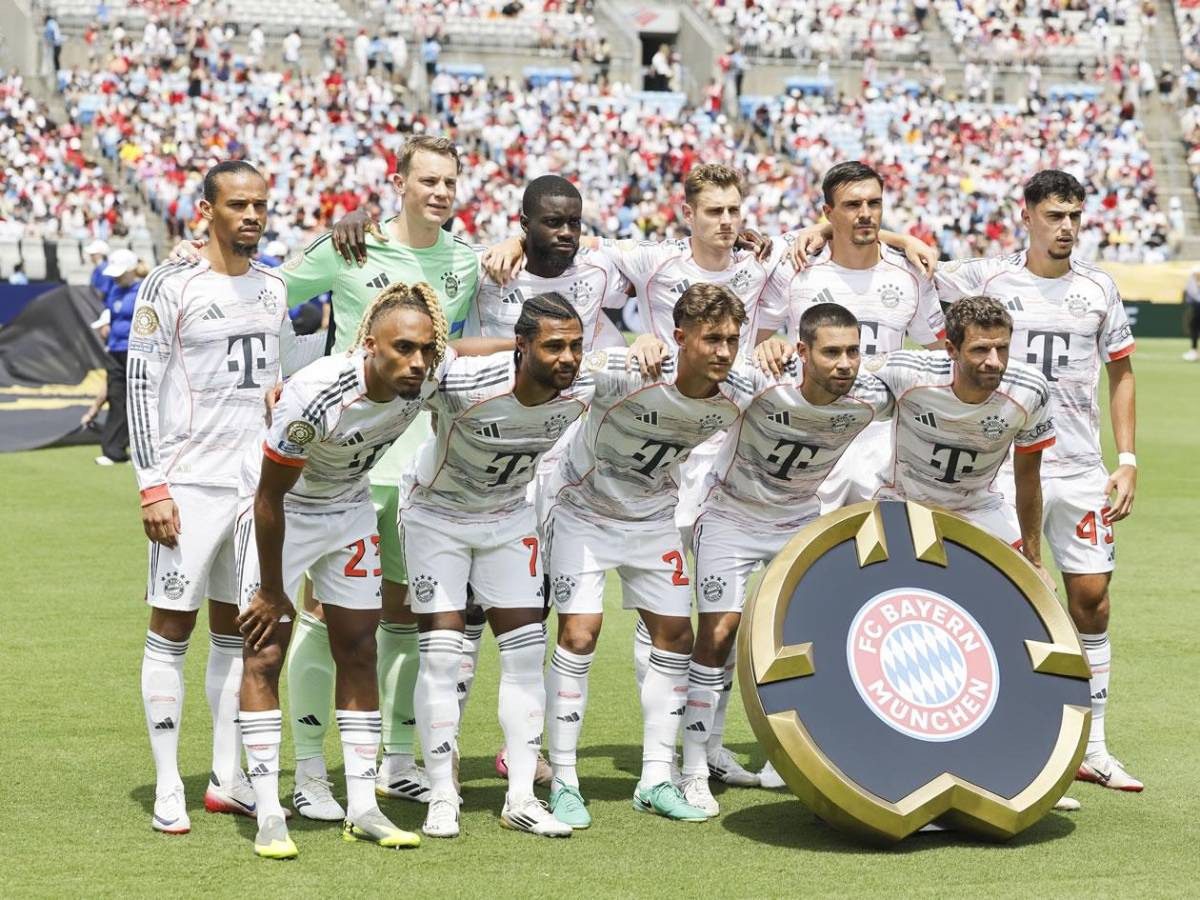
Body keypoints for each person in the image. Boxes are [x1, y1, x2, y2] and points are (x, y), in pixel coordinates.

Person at [276, 135, 480, 813]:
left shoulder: (466, 261)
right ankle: (308, 770)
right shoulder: (351, 245)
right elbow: (270, 292)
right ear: (400, 183)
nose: (441, 192)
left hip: (420, 469)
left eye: (450, 181)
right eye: (428, 179)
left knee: (402, 619)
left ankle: (395, 760)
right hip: (338, 471)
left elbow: (459, 350)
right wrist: (276, 383)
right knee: (320, 617)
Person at [933, 170, 1142, 792]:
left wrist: (1126, 460)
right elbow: (917, 260)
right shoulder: (987, 278)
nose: (1068, 228)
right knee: (999, 601)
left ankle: (1094, 746)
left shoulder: (1099, 288)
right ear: (1026, 215)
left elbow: (1122, 374)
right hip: (1003, 468)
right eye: (1055, 215)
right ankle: (1000, 742)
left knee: (1092, 599)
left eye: (1076, 216)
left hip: (1079, 470)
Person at [234, 282, 452, 859]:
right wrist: (273, 589)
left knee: (360, 648)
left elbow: (482, 361)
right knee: (265, 652)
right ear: (369, 345)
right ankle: (270, 812)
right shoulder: (316, 395)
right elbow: (268, 497)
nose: (416, 362)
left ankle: (363, 807)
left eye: (425, 350)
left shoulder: (428, 376)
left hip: (348, 509)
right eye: (402, 349)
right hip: (282, 511)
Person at [541, 284, 768, 829]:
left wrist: (780, 352)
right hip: (583, 511)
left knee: (677, 636)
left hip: (652, 518)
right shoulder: (624, 370)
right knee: (579, 633)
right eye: (711, 339)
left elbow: (799, 391)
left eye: (733, 340)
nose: (723, 351)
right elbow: (548, 365)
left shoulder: (742, 386)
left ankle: (654, 779)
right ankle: (565, 780)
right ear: (680, 337)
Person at [126, 161, 296, 835]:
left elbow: (282, 374)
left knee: (240, 629)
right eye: (238, 205)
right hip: (187, 484)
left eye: (260, 204)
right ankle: (170, 781)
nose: (252, 215)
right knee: (173, 625)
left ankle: (226, 779)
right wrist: (152, 485)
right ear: (207, 211)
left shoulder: (277, 286)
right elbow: (140, 386)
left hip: (254, 487)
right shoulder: (169, 284)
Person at [683, 303, 894, 815]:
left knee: (807, 635)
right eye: (831, 352)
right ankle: (693, 765)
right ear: (801, 352)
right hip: (731, 516)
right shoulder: (758, 380)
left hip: (797, 519)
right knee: (718, 633)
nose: (846, 364)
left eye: (853, 352)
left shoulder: (871, 395)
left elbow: (934, 376)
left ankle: (791, 753)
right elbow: (690, 366)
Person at [403, 293, 591, 839]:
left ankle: (521, 798)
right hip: (437, 516)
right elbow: (418, 361)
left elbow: (660, 362)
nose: (568, 357)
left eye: (576, 345)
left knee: (527, 652)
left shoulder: (586, 380)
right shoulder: (463, 382)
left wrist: (648, 343)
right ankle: (442, 793)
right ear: (522, 346)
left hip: (509, 516)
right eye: (554, 345)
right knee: (442, 655)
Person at [96, 248, 146, 466]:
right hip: (114, 351)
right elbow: (110, 311)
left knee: (137, 401)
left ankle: (135, 449)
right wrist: (105, 323)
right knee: (116, 398)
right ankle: (113, 450)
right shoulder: (114, 290)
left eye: (120, 273)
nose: (116, 277)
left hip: (136, 352)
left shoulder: (143, 291)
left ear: (132, 270)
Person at [1183, 266, 1200, 361]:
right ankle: (1194, 351)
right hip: (1196, 308)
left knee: (1194, 328)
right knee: (1194, 329)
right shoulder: (1192, 282)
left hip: (1197, 307)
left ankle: (1194, 351)